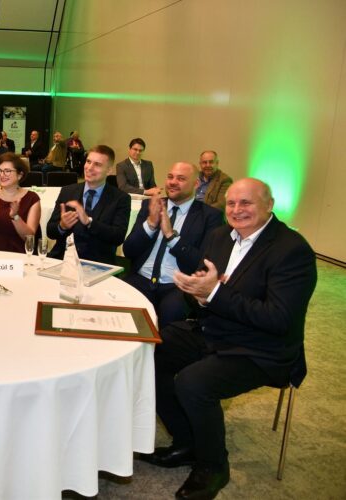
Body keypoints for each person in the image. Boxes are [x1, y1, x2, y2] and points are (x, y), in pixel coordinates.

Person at [140, 178, 317, 500]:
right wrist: (198, 292)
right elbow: (206, 292)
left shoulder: (292, 250)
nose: (237, 210)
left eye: (246, 202)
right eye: (232, 203)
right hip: (215, 328)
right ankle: (187, 442)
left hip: (262, 348)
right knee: (151, 352)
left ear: (269, 205)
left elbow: (279, 319)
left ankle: (214, 466)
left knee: (193, 383)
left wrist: (215, 293)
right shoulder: (220, 236)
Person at [123, 162, 224, 328]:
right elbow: (128, 250)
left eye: (181, 179)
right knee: (122, 313)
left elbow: (202, 263)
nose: (173, 182)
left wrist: (171, 237)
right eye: (170, 177)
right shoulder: (150, 206)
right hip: (141, 278)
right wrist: (150, 225)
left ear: (196, 184)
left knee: (170, 316)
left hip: (178, 286)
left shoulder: (209, 216)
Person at [47, 145, 130, 264]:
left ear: (109, 170)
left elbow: (118, 237)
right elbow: (50, 231)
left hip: (98, 264)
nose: (89, 168)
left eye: (97, 164)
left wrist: (89, 222)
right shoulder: (68, 191)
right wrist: (62, 226)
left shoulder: (120, 198)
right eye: (88, 161)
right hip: (63, 260)